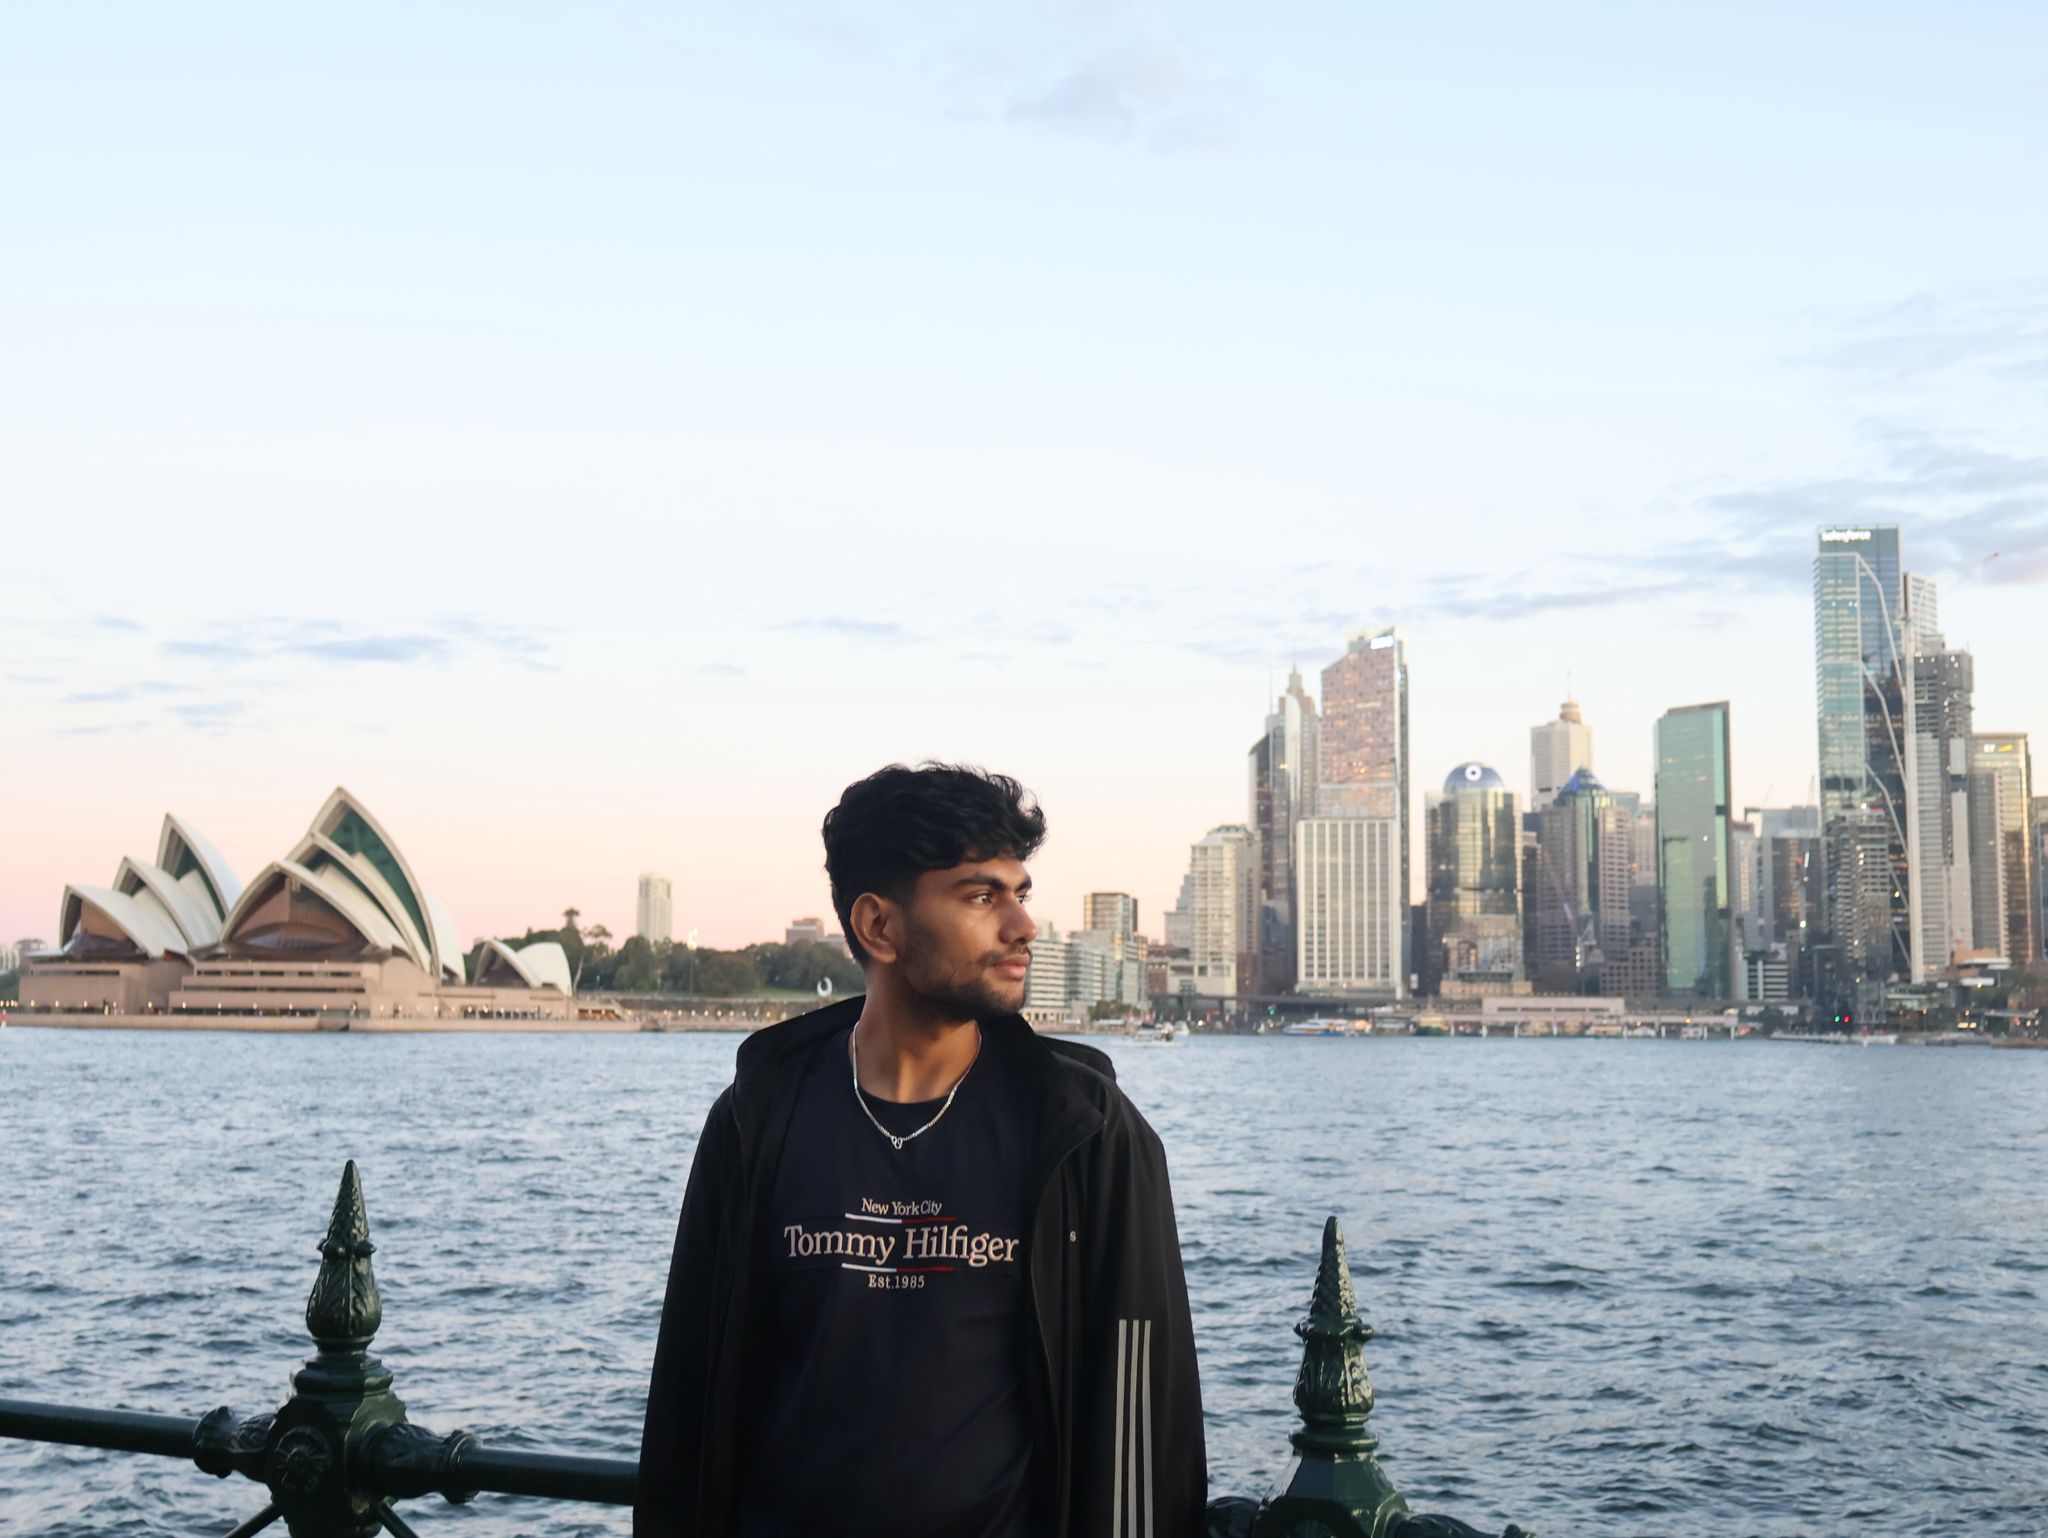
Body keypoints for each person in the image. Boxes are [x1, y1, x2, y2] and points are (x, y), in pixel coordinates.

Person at [636, 762, 1206, 1538]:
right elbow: (687, 1399)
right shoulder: (756, 1120)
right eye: (981, 896)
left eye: (1020, 893)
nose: (1023, 925)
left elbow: (1142, 1426)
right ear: (879, 927)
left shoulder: (1086, 1133)